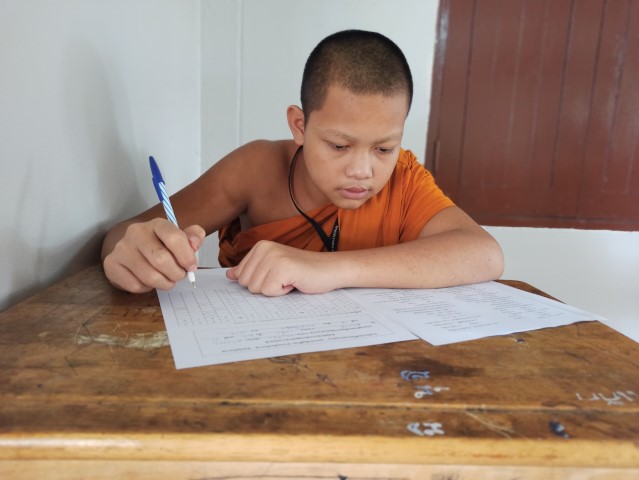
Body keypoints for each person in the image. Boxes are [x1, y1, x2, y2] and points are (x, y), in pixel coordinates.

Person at [102, 29, 504, 296]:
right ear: (300, 125)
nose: (362, 171)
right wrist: (137, 253)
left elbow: (484, 254)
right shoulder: (257, 170)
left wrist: (328, 269)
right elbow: (119, 237)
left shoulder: (404, 179)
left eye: (384, 148)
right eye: (339, 145)